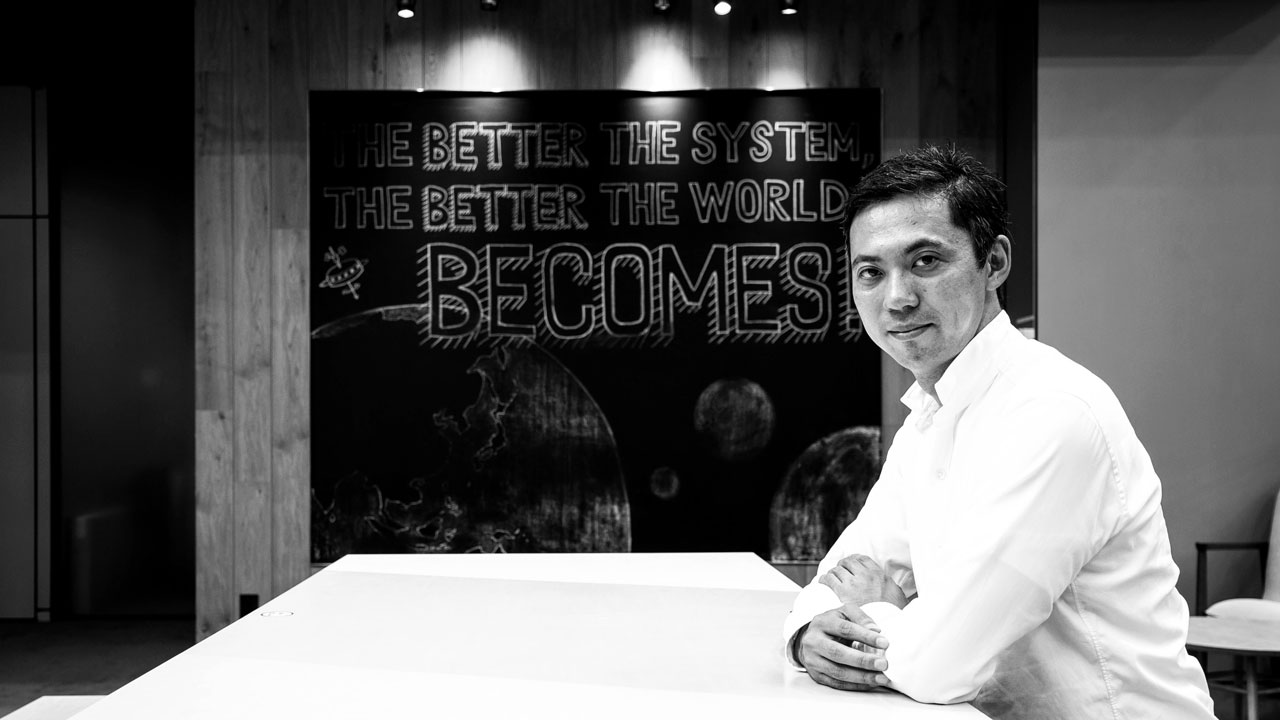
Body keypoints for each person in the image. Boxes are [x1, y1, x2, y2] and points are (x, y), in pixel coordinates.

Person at [781, 144, 1215, 719]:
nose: (897, 298)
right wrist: (808, 633)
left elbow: (939, 666)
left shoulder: (1053, 413)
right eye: (871, 272)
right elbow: (839, 576)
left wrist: (883, 616)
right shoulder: (930, 416)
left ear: (995, 262)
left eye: (926, 261)